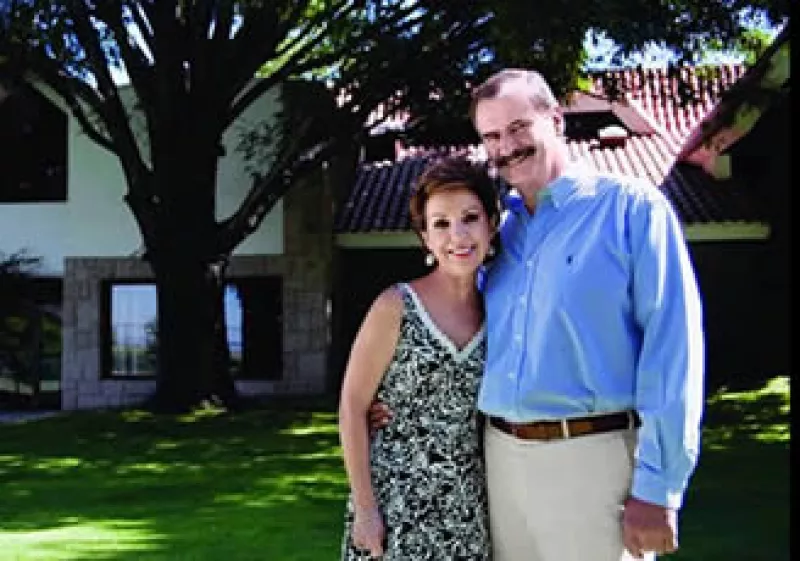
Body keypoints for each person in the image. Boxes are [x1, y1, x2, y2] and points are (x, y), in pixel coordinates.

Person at [371, 68, 705, 561]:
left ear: (556, 120)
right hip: (499, 463)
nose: (506, 146)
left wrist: (659, 486)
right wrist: (405, 409)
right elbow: (464, 338)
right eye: (491, 136)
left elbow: (674, 351)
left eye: (519, 127)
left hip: (593, 459)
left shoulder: (631, 211)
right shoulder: (490, 233)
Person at [338, 155, 501, 560]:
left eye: (469, 218)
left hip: (468, 511)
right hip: (394, 510)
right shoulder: (396, 306)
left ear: (492, 223)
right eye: (441, 224)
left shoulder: (501, 310)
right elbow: (352, 406)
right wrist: (365, 509)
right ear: (425, 237)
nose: (457, 236)